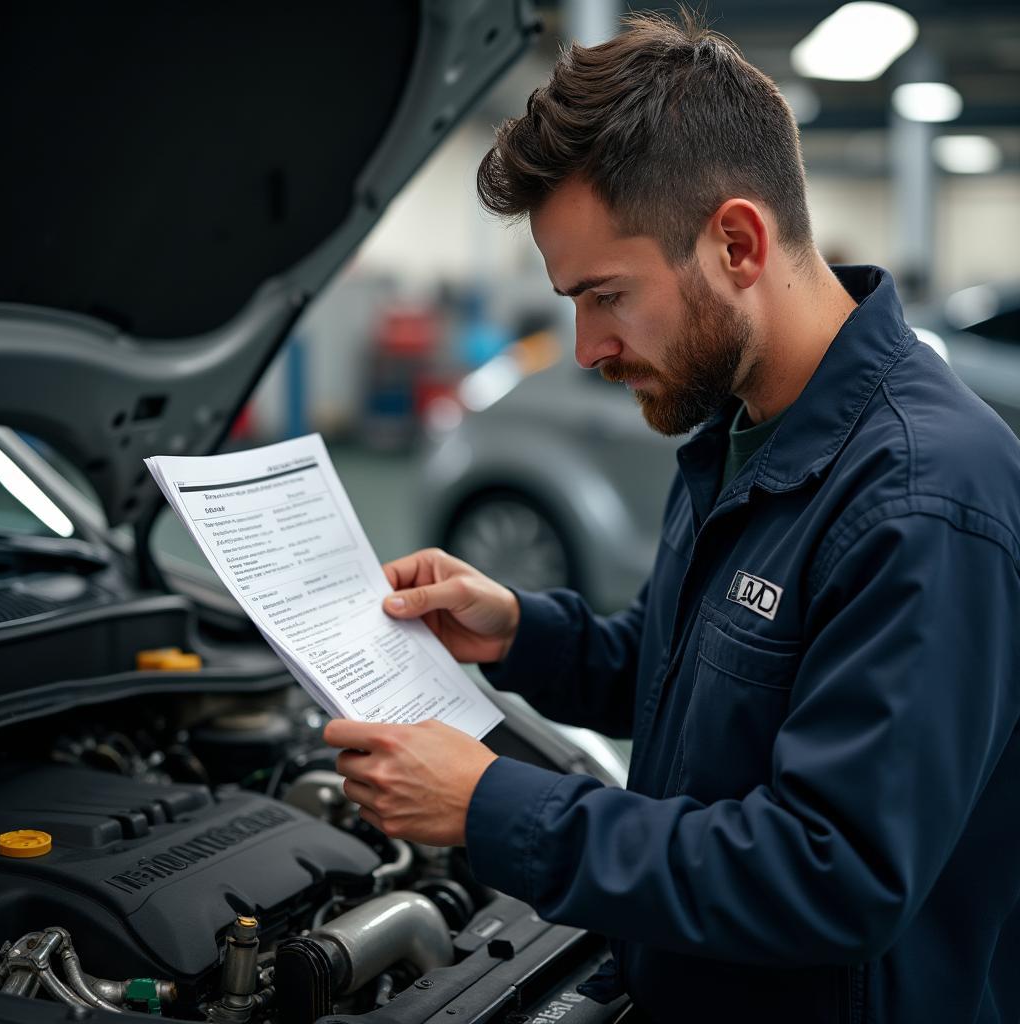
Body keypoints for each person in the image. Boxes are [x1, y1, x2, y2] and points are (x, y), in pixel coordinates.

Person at [324, 12, 1020, 1022]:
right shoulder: (744, 429)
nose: (584, 346)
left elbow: (831, 873)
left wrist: (490, 804)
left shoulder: (923, 499)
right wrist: (524, 632)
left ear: (736, 241)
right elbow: (695, 675)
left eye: (606, 294)